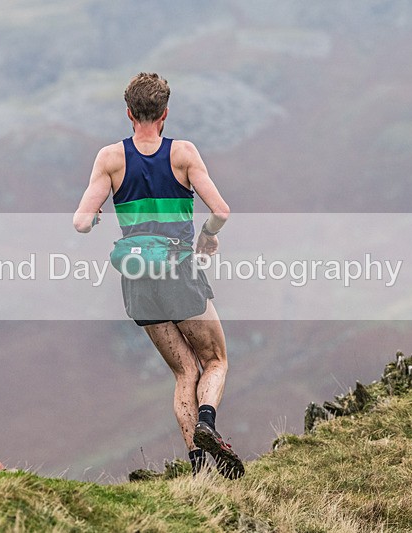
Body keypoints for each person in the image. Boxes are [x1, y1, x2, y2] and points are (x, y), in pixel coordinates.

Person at [73, 72, 244, 479]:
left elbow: (81, 222)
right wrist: (206, 236)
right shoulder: (182, 154)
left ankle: (199, 469)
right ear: (165, 113)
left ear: (129, 113)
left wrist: (96, 217)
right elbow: (221, 211)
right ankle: (207, 423)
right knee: (215, 360)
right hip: (179, 270)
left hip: (138, 280)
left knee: (184, 372)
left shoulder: (110, 159)